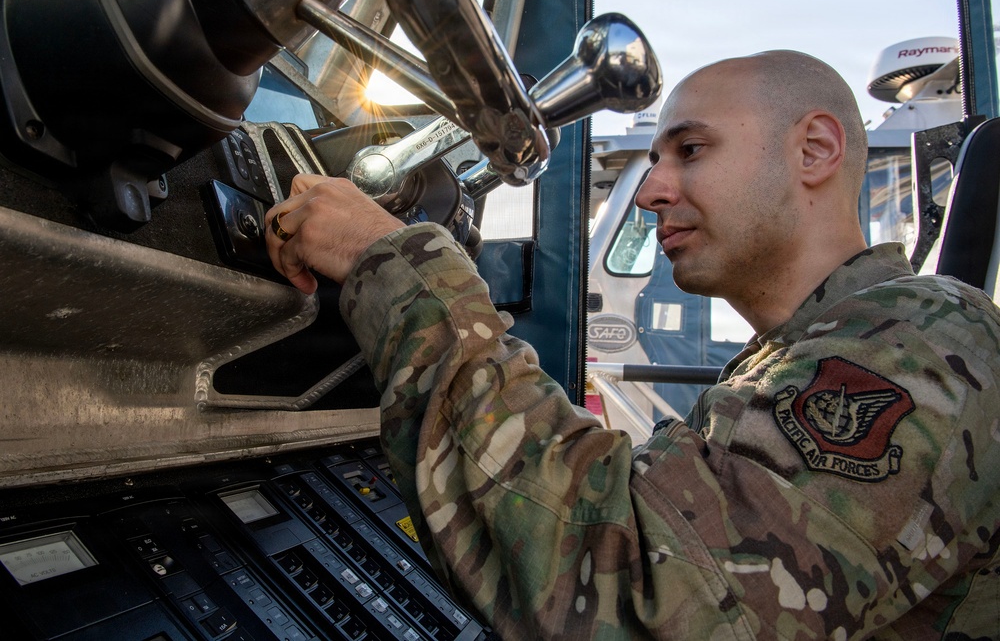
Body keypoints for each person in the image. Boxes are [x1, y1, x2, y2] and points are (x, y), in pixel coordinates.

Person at [264, 51, 1000, 640]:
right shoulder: (808, 352)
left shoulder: (924, 340)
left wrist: (387, 260)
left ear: (813, 150)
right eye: (655, 158)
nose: (652, 191)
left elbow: (647, 595)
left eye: (690, 150)